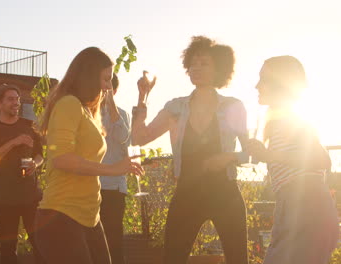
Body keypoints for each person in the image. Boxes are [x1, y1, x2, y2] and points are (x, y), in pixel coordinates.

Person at [131, 36, 249, 264]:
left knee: (238, 260)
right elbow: (139, 138)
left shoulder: (233, 107)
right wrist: (142, 96)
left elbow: (250, 154)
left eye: (204, 63)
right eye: (193, 63)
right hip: (187, 194)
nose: (196, 68)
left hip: (225, 195)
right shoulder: (175, 108)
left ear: (219, 69)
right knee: (172, 259)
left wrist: (228, 157)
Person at [34, 47, 144, 264]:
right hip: (61, 216)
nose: (107, 86)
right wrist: (113, 169)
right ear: (88, 77)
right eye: (105, 79)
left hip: (89, 216)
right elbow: (61, 158)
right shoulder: (68, 104)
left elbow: (122, 136)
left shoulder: (87, 111)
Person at [247, 56, 338, 264]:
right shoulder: (282, 120)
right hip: (297, 205)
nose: (256, 85)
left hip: (305, 206)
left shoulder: (292, 119)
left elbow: (320, 159)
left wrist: (269, 155)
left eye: (263, 79)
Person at [0, 84, 45, 264]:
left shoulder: (29, 125)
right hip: (5, 196)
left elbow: (40, 155)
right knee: (8, 249)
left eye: (17, 99)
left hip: (31, 195)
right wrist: (14, 142)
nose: (16, 103)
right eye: (10, 99)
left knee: (40, 243)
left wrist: (35, 163)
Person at [99, 73, 130, 264]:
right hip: (90, 184)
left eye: (109, 88)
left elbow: (124, 140)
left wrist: (111, 107)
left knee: (114, 239)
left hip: (114, 188)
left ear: (115, 90)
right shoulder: (87, 112)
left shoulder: (122, 115)